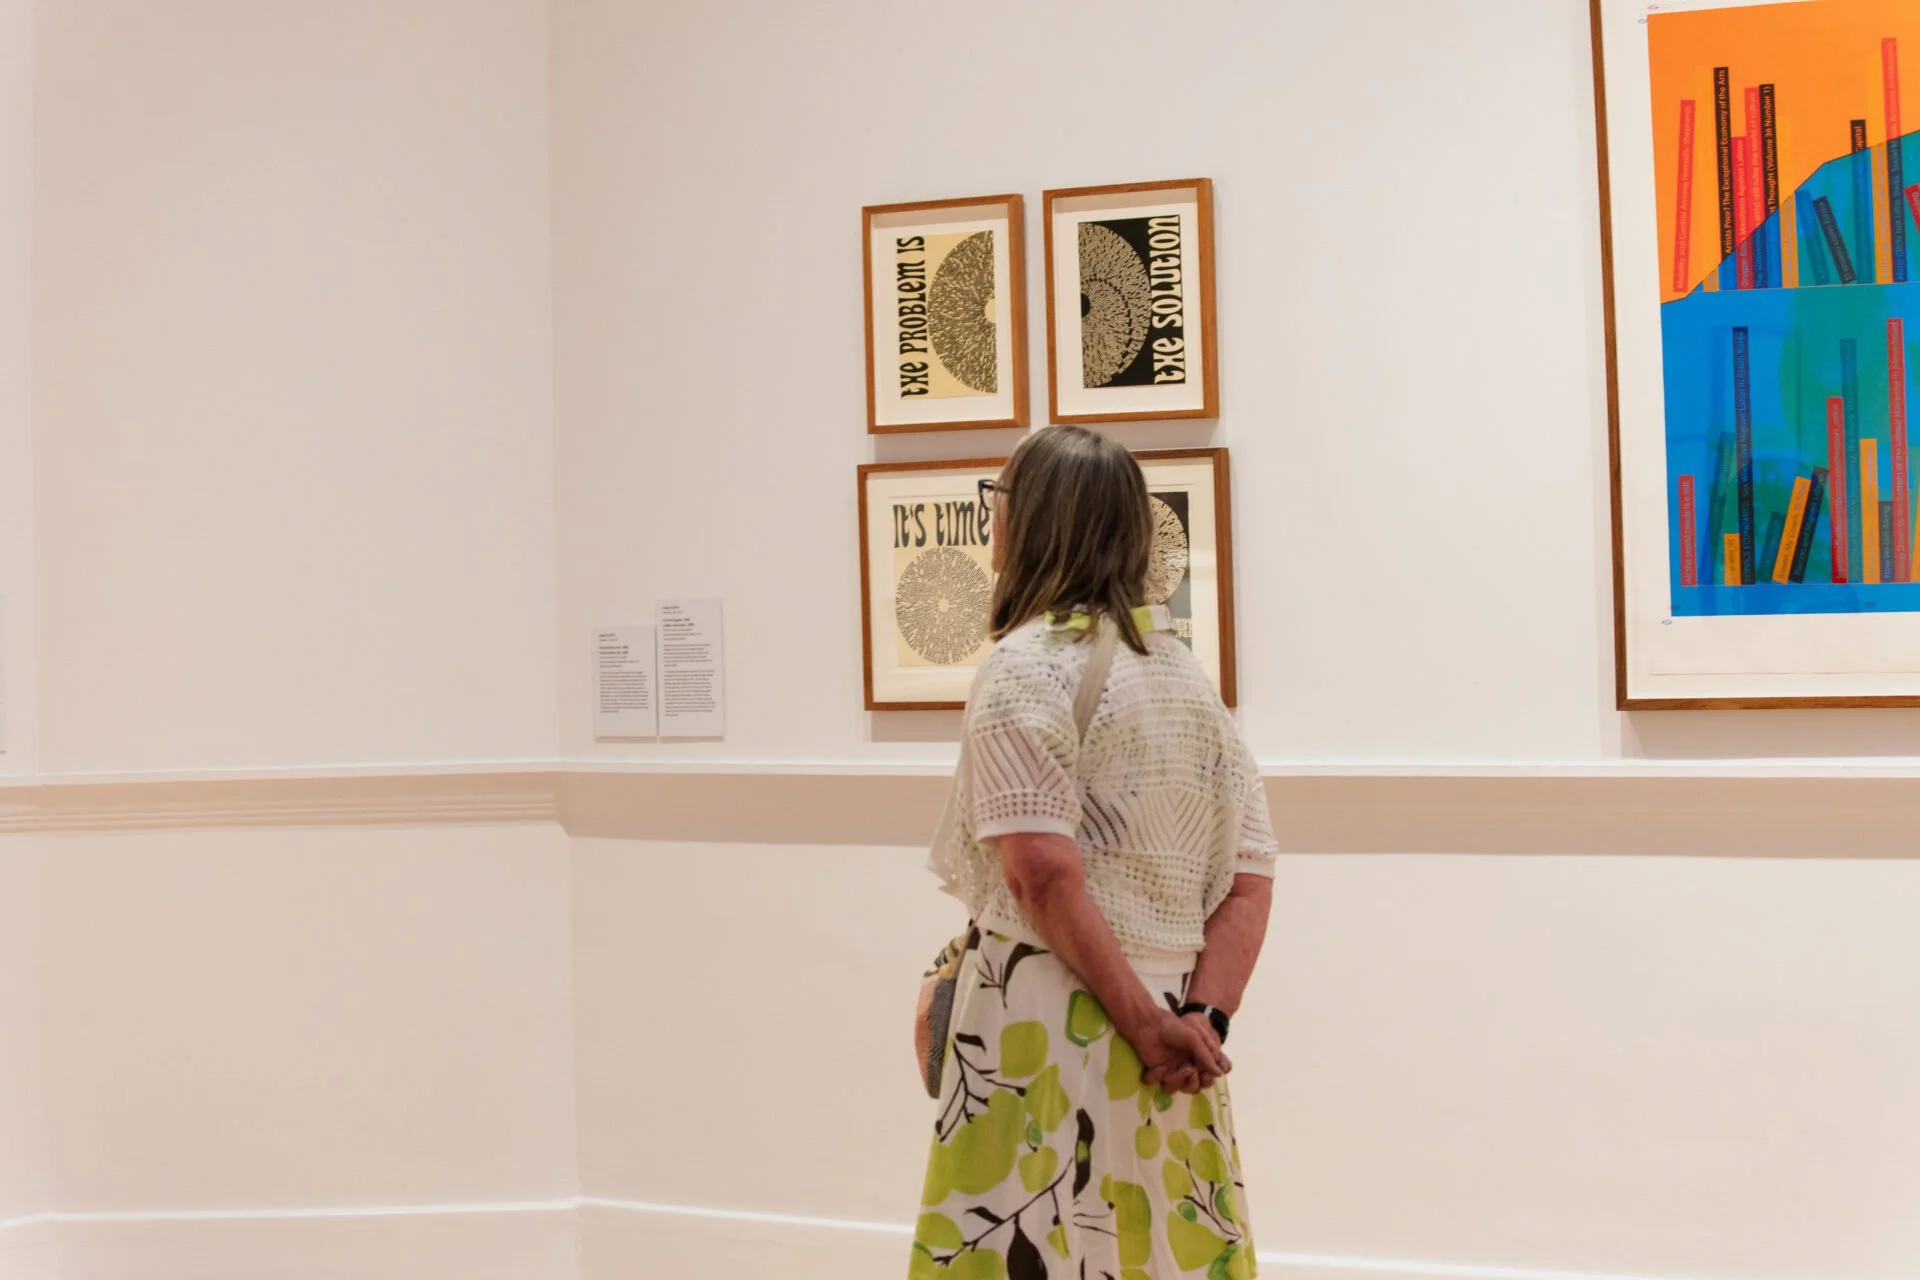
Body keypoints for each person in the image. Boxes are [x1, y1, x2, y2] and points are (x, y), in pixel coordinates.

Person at [911, 426, 1277, 1280]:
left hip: (1045, 1014)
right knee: (1154, 1251)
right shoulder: (1185, 677)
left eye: (997, 502)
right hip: (1174, 1029)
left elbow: (1039, 872)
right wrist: (1198, 1022)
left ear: (1031, 522)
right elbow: (1250, 877)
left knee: (1031, 1249)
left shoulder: (1023, 669)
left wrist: (1141, 1024)